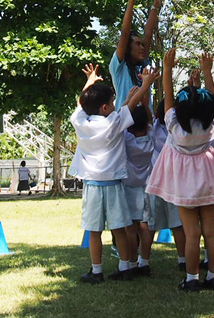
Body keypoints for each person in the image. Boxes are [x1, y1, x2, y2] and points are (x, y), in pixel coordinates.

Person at [68, 63, 160, 284]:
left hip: (92, 184)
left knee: (94, 230)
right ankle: (125, 267)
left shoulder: (79, 121)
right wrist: (144, 85)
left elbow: (86, 103)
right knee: (120, 228)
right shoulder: (114, 124)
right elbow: (127, 110)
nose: (114, 105)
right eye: (111, 102)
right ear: (104, 107)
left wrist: (90, 81)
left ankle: (96, 270)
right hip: (114, 184)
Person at [145, 49, 214, 292]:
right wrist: (209, 73)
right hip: (209, 183)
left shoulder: (174, 128)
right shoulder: (208, 127)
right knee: (211, 233)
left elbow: (168, 96)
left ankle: (191, 279)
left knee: (192, 234)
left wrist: (167, 69)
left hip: (185, 188)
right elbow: (212, 100)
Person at [146, 99, 187, 270]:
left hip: (154, 182)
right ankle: (182, 260)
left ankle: (143, 261)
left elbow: (148, 114)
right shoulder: (179, 130)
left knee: (149, 224)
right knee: (177, 224)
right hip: (173, 183)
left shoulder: (153, 128)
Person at [110, 0, 162, 109]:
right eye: (137, 44)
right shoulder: (119, 68)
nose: (142, 47)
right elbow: (125, 32)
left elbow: (149, 34)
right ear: (127, 47)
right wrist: (132, 0)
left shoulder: (142, 66)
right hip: (125, 126)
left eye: (142, 44)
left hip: (145, 125)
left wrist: (155, 6)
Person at [123, 101, 155, 276]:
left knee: (131, 228)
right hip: (146, 187)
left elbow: (120, 120)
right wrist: (146, 106)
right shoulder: (151, 137)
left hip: (128, 188)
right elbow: (150, 122)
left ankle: (132, 262)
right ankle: (145, 261)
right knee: (145, 226)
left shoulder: (127, 139)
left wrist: (130, 100)